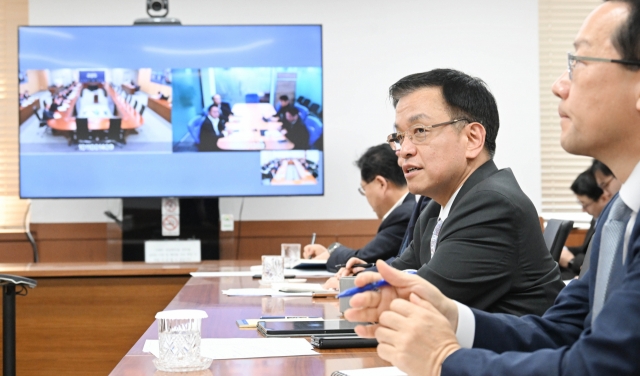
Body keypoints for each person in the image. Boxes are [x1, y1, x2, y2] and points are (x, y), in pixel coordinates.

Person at [345, 1, 640, 375]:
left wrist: (444, 361)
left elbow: (602, 367)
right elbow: (564, 331)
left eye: (578, 63)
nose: (559, 85)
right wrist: (450, 315)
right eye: (400, 136)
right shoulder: (620, 211)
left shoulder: (494, 202)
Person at [343, 68, 563, 316]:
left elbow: (420, 300)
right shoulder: (436, 206)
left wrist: (358, 288)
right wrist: (355, 278)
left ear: (472, 139)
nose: (403, 150)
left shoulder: (493, 206)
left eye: (420, 131)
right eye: (399, 136)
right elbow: (401, 269)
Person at [303, 144, 415, 272]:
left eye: (364, 189)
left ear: (381, 184)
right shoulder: (408, 208)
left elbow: (365, 258)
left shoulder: (404, 215)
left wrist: (332, 252)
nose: (365, 195)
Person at [559, 167, 612, 279]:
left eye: (585, 204)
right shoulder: (596, 218)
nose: (583, 210)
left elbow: (602, 262)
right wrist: (562, 250)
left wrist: (571, 261)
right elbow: (586, 249)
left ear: (603, 198)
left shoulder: (613, 223)